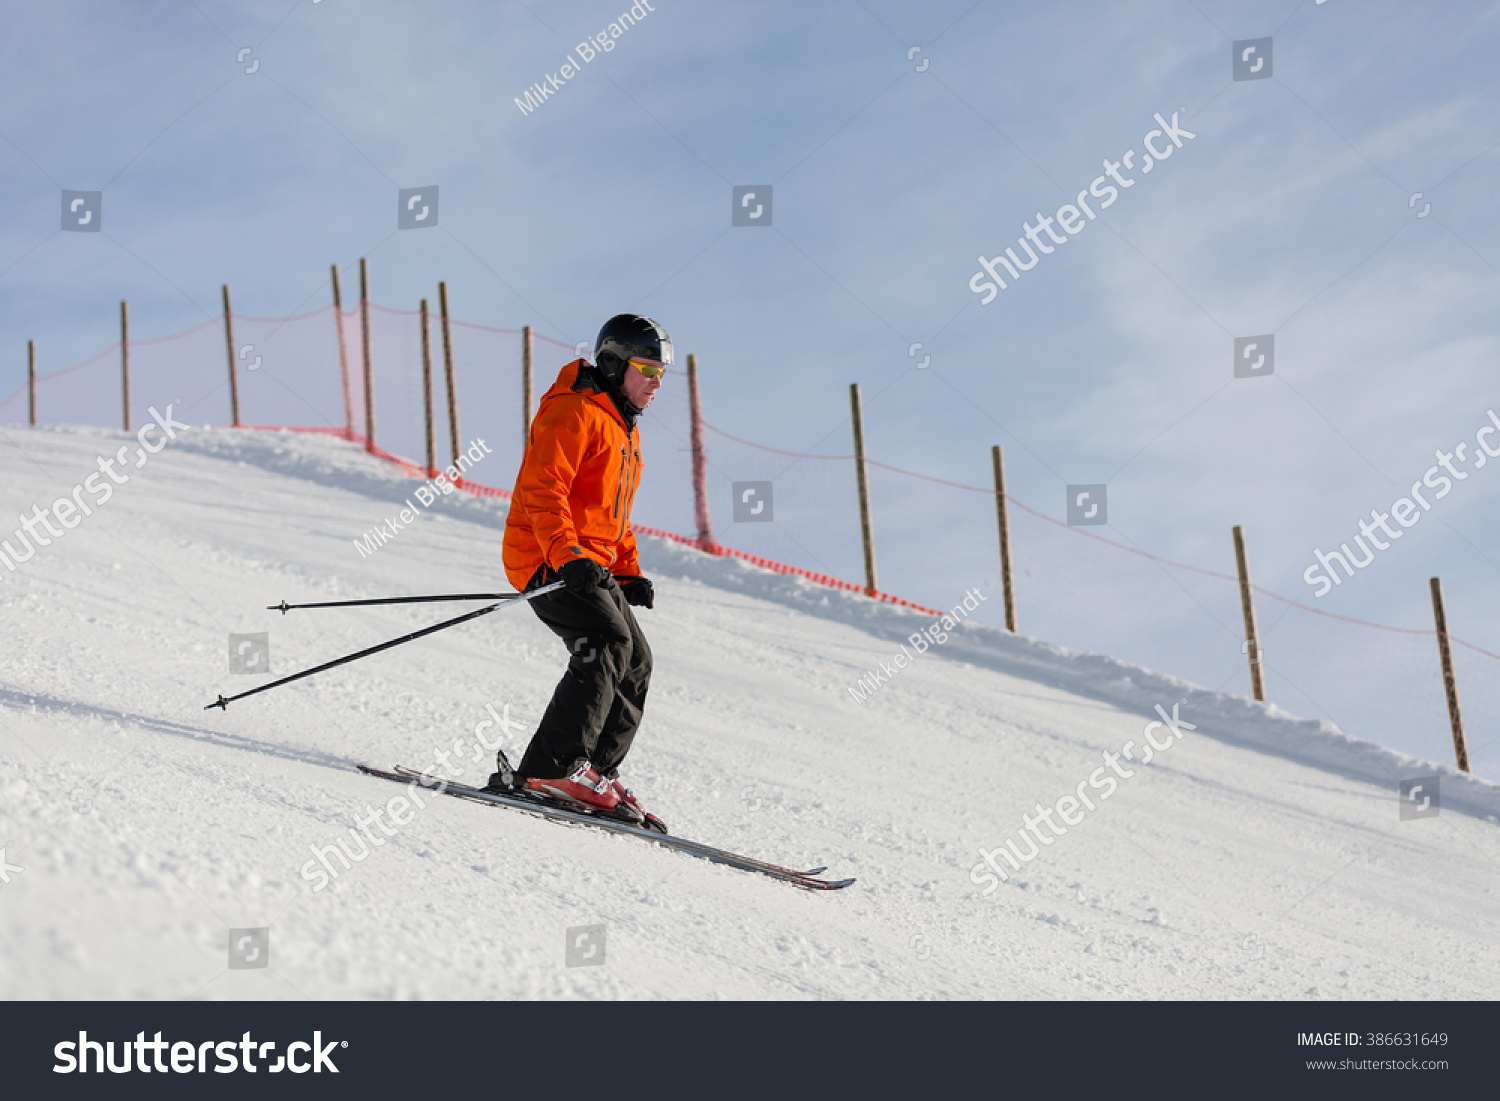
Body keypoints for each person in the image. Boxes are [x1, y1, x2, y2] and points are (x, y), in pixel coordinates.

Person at [488, 314, 670, 832]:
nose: (656, 383)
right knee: (605, 641)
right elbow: (545, 490)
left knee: (636, 660)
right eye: (646, 370)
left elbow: (611, 514)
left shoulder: (621, 428)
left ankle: (593, 771)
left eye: (661, 373)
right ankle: (553, 768)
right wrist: (566, 554)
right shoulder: (573, 413)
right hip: (545, 555)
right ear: (614, 364)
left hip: (589, 562)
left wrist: (628, 570)